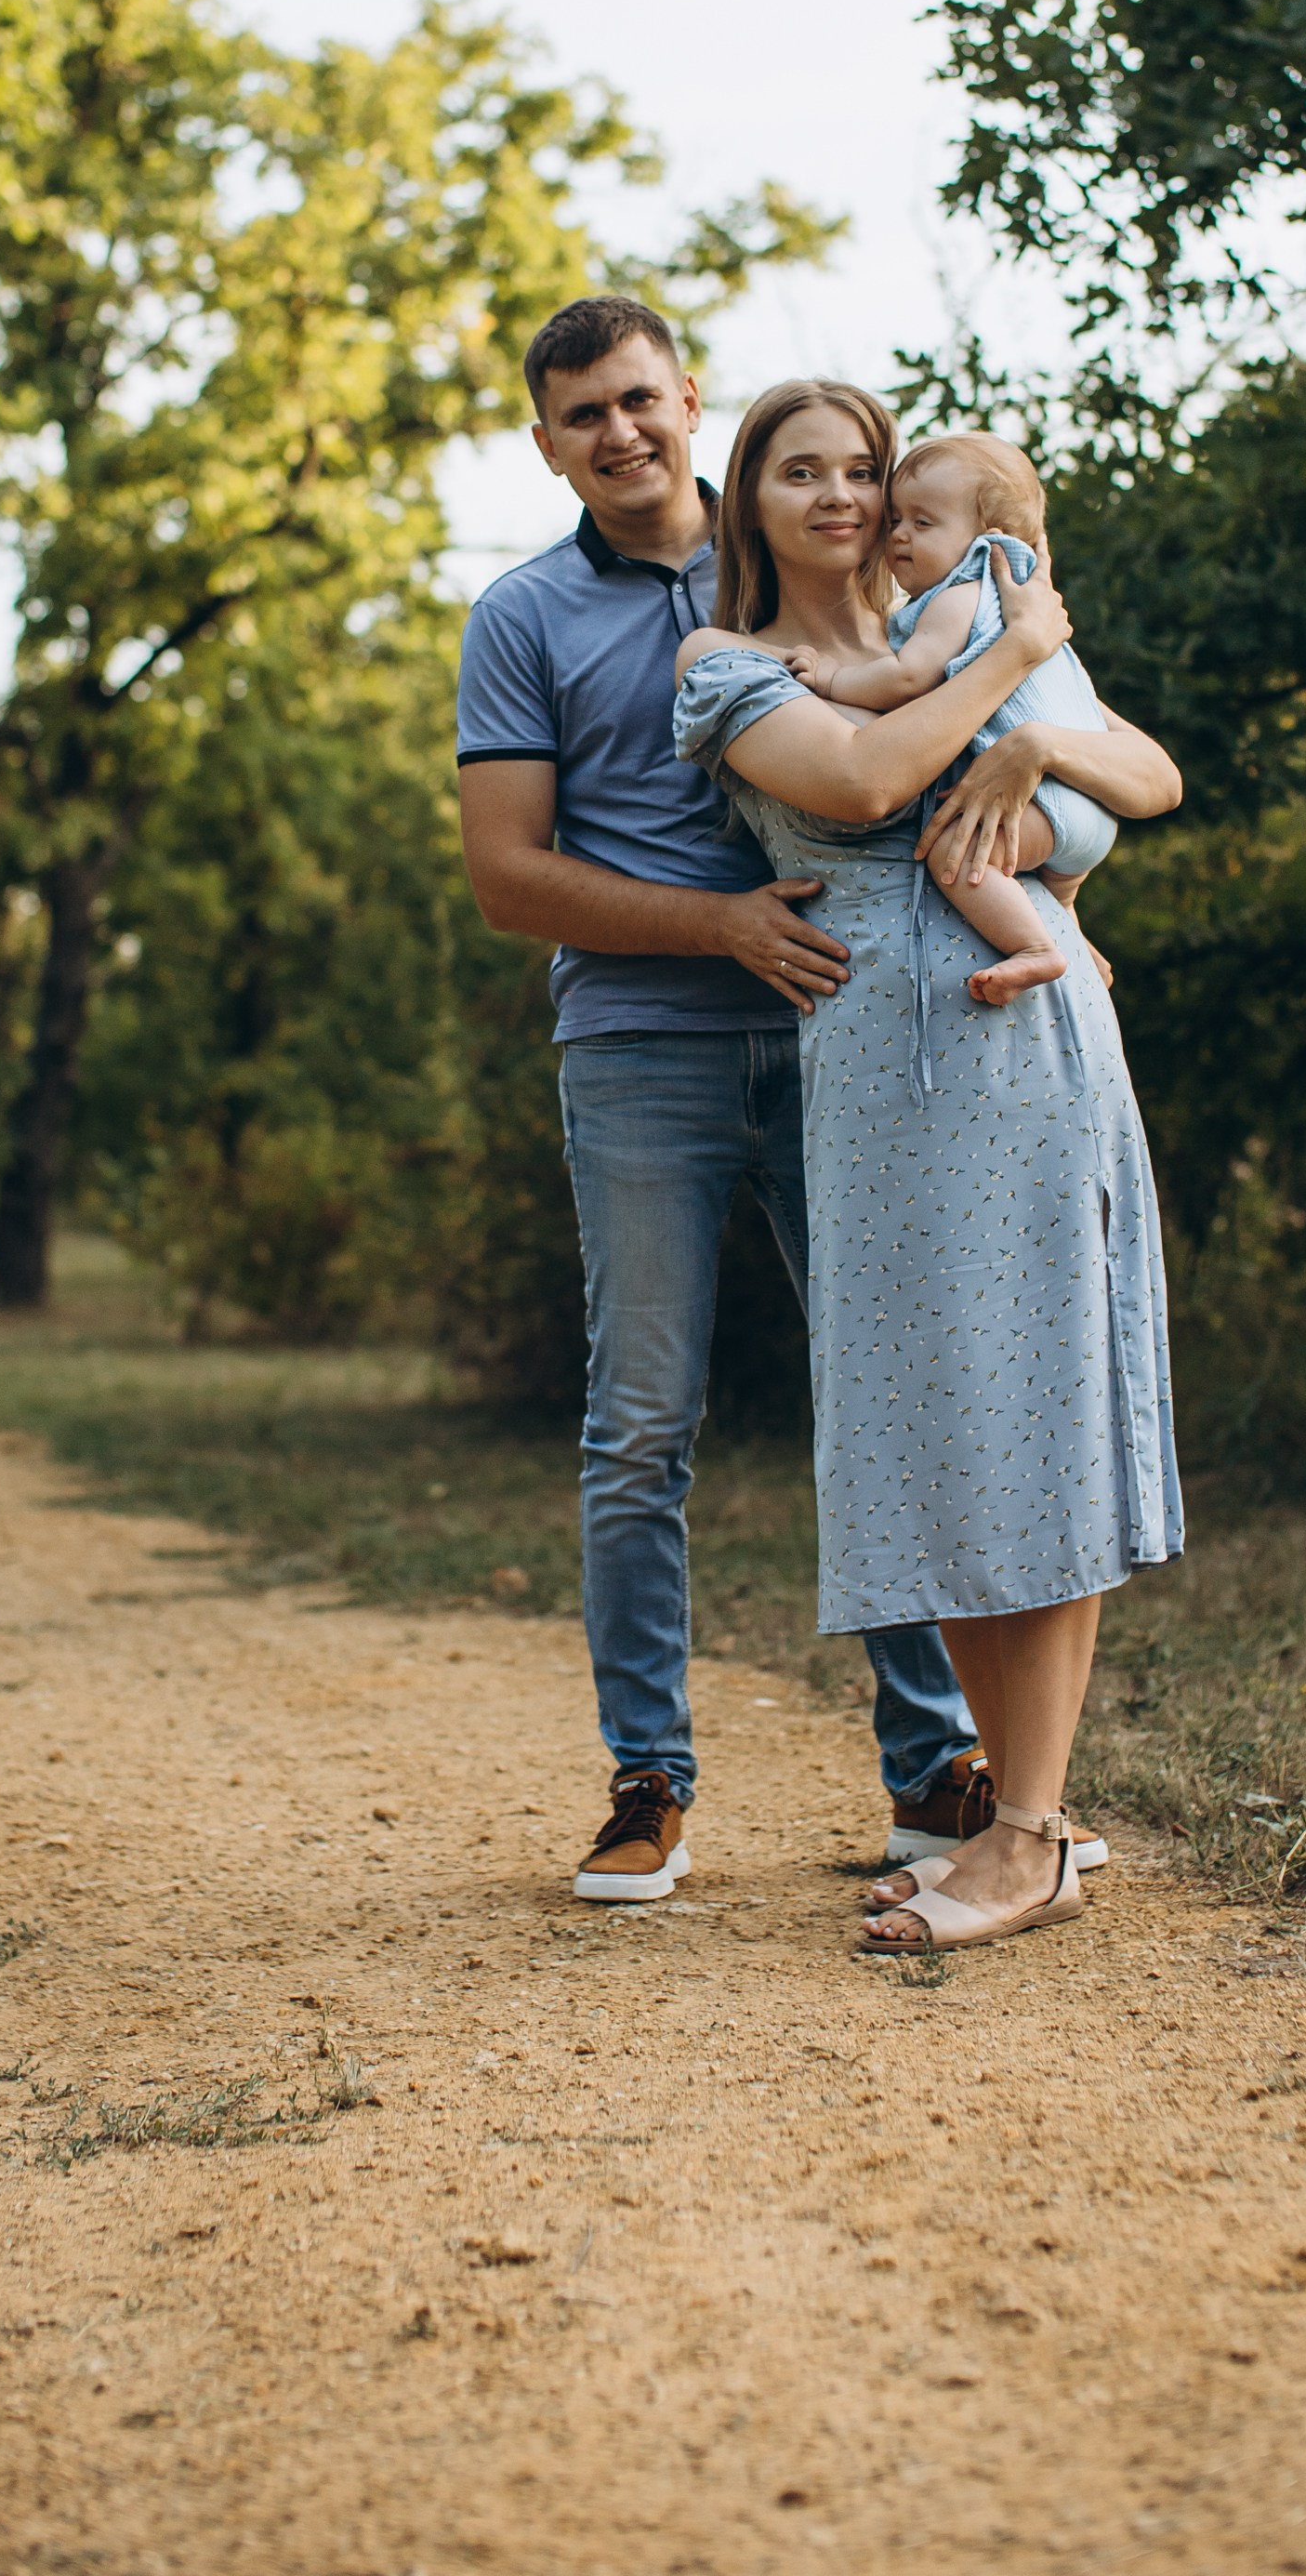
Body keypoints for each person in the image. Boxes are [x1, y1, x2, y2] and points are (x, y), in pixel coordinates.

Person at [455, 297, 988, 1900]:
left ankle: (935, 1772)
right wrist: (719, 928)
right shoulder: (521, 618)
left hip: (840, 1030)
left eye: (636, 401)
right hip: (642, 1048)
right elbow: (504, 878)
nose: (616, 434)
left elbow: (958, 731)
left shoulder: (799, 558)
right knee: (641, 1427)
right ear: (545, 444)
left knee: (887, 1391)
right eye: (578, 418)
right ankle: (649, 1782)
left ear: (690, 400)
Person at [673, 378, 1185, 1950]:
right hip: (878, 1080)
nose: (841, 498)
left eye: (866, 471)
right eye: (801, 473)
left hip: (1020, 1059)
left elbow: (1150, 780)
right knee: (931, 1425)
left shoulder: (972, 628)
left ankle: (1025, 1834)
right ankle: (1007, 1820)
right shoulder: (728, 665)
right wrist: (1025, 683)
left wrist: (1043, 761)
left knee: (1036, 1404)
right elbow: (867, 785)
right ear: (747, 503)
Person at [784, 429, 1117, 1005]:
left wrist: (830, 679)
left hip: (1044, 805)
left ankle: (1037, 949)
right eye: (895, 521)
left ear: (987, 541)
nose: (899, 536)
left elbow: (910, 678)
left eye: (923, 523)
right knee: (1051, 887)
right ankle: (1068, 925)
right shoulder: (1015, 608)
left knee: (954, 851)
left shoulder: (961, 595)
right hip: (1088, 802)